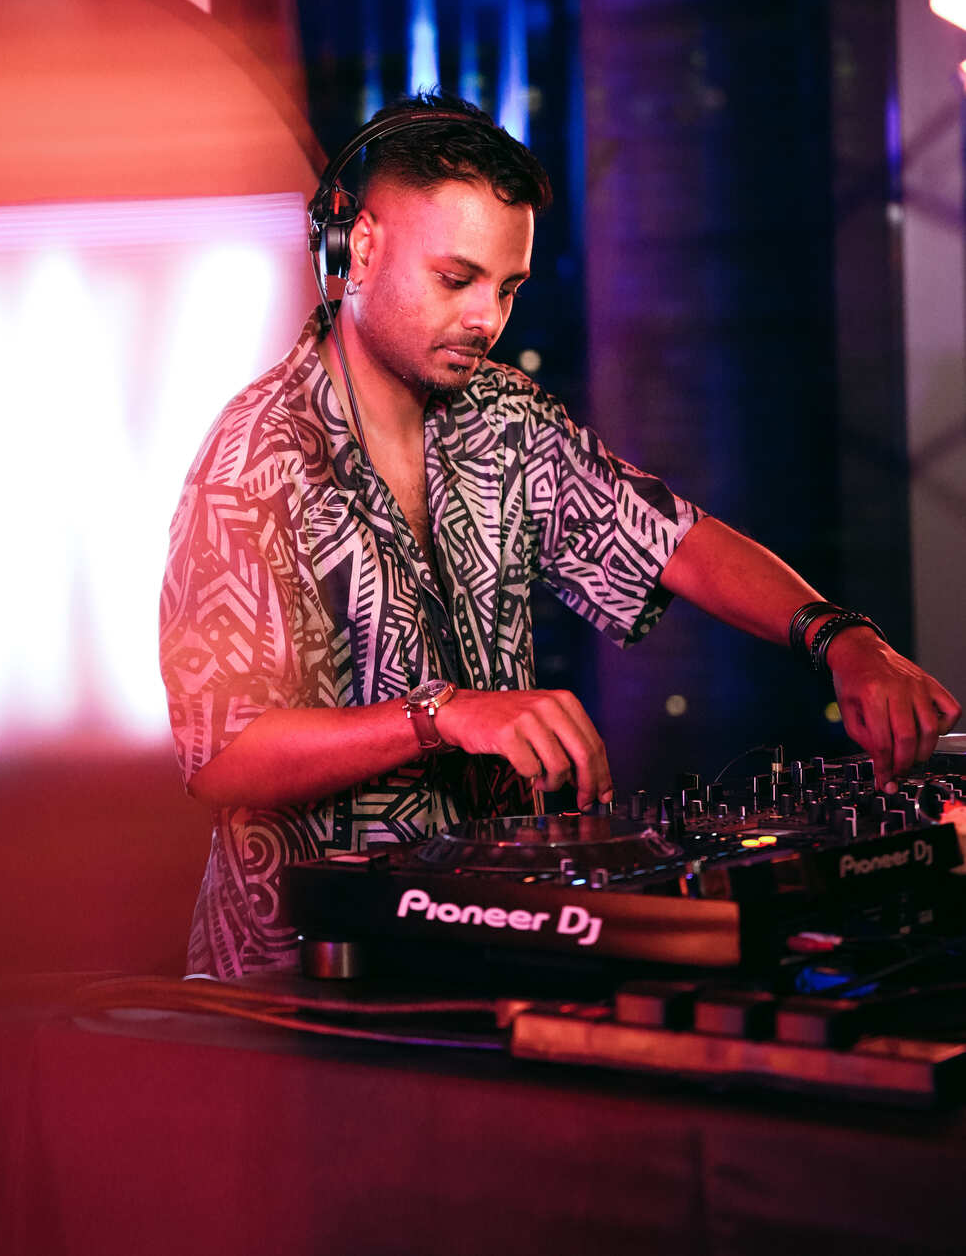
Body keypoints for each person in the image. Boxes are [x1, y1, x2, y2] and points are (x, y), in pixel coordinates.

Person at [159, 91, 961, 980]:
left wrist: (837, 636)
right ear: (359, 246)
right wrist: (443, 716)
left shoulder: (504, 416)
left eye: (507, 288)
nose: (486, 319)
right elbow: (222, 756)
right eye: (456, 279)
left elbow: (672, 538)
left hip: (486, 955)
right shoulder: (254, 461)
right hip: (294, 982)